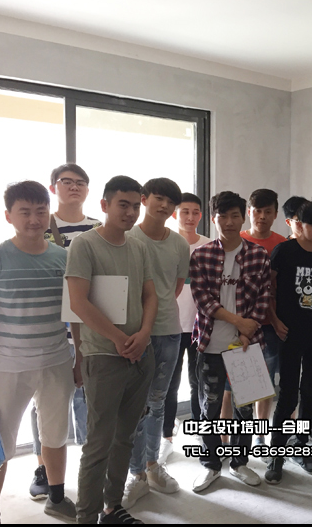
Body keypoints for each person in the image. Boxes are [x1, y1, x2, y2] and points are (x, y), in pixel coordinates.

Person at [0, 181, 77, 523]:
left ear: (49, 214)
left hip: (57, 360)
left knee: (56, 435)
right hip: (8, 366)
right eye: (25, 212)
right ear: (9, 216)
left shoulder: (63, 258)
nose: (34, 219)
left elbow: (74, 313)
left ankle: (57, 497)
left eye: (41, 211)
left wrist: (79, 359)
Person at [67, 175, 157, 525]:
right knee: (98, 443)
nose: (131, 212)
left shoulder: (138, 247)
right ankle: (86, 516)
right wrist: (120, 339)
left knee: (125, 438)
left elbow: (150, 295)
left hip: (140, 354)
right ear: (104, 205)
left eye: (136, 206)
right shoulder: (85, 245)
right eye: (123, 204)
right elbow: (78, 302)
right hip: (104, 356)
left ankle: (111, 507)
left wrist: (144, 333)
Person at [189, 191, 271, 492]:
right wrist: (238, 322)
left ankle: (239, 463)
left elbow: (264, 296)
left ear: (242, 217)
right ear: (214, 219)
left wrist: (247, 331)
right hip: (210, 343)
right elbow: (203, 300)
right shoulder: (201, 255)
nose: (229, 222)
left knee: (244, 408)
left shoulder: (258, 255)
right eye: (222, 216)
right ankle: (211, 464)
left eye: (235, 215)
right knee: (209, 408)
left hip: (247, 344)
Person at [29, 163, 100, 501]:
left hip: (91, 332)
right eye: (66, 181)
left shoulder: (99, 229)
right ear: (53, 187)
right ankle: (43, 469)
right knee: (44, 406)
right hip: (49, 333)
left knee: (90, 402)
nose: (74, 187)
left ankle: (90, 470)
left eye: (80, 182)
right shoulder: (40, 227)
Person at [123, 178, 189, 508]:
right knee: (135, 405)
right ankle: (135, 474)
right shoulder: (128, 238)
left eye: (170, 202)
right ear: (145, 199)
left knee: (158, 402)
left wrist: (159, 313)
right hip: (135, 334)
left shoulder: (179, 244)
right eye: (159, 198)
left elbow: (174, 287)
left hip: (169, 331)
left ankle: (152, 466)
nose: (164, 206)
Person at [265, 201, 312, 484]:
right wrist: (274, 320)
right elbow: (268, 289)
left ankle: (302, 447)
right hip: (288, 332)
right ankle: (276, 455)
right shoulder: (284, 251)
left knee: (310, 393)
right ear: (300, 224)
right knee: (287, 395)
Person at [158, 193, 210, 464]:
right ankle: (166, 437)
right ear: (175, 214)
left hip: (201, 326)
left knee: (198, 382)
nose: (190, 217)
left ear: (201, 215)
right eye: (185, 211)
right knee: (169, 384)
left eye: (195, 212)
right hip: (170, 324)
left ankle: (200, 431)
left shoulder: (209, 245)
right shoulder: (166, 242)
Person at [240, 189, 287, 451]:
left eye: (268, 212)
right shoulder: (238, 239)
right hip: (241, 323)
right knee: (238, 383)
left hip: (272, 323)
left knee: (265, 381)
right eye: (257, 211)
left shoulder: (282, 244)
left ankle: (259, 434)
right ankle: (234, 436)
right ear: (249, 212)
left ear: (275, 214)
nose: (262, 216)